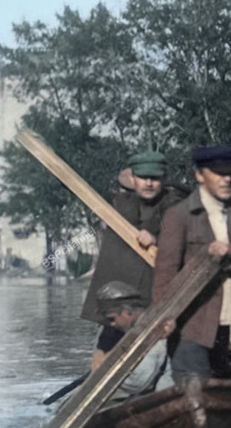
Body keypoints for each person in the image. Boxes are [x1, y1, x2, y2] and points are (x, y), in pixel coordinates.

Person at [153, 145, 231, 382]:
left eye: (230, 174)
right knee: (194, 383)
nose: (226, 180)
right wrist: (164, 316)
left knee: (220, 381)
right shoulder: (180, 215)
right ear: (199, 175)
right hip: (191, 320)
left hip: (228, 319)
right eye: (218, 174)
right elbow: (166, 271)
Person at [80, 150, 187, 355]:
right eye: (142, 178)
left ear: (163, 179)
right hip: (116, 298)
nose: (148, 183)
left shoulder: (175, 203)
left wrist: (157, 239)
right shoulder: (122, 202)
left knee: (155, 351)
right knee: (104, 347)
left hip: (152, 299)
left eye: (155, 178)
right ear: (132, 179)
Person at [90, 280, 175, 401]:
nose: (111, 324)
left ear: (127, 312)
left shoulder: (153, 331)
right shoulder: (115, 329)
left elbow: (138, 382)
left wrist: (105, 368)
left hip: (157, 392)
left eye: (112, 318)